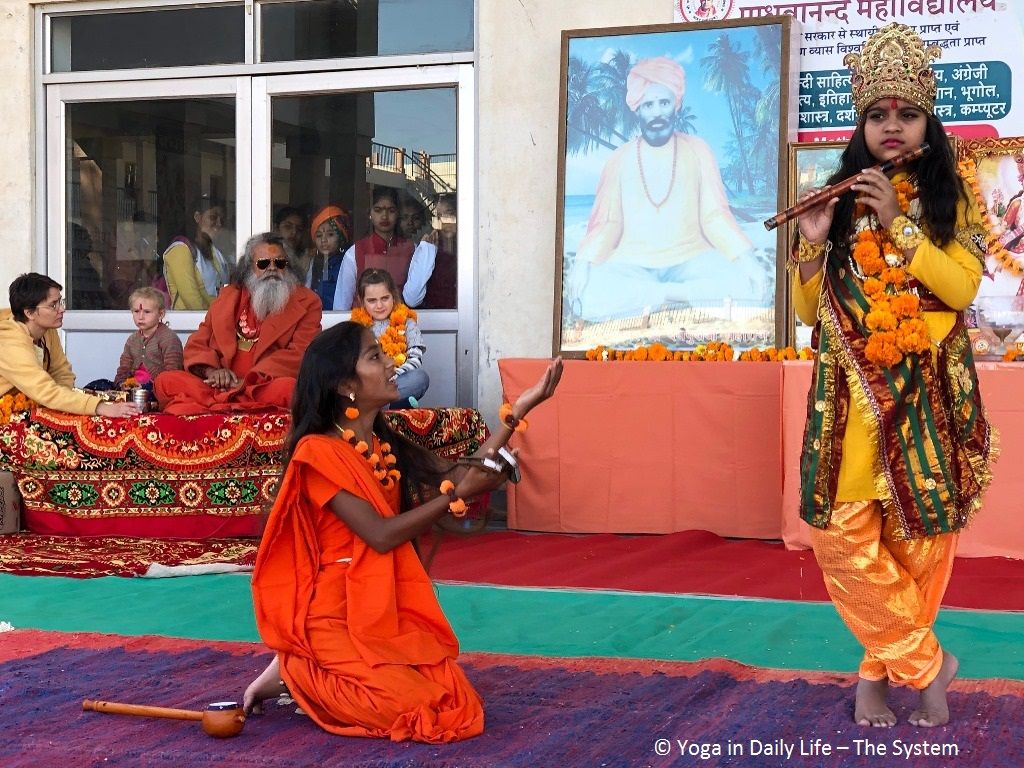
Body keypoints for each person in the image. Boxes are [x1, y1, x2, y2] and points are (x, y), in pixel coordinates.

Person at [791, 23, 995, 729]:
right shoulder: (838, 197)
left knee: (918, 543)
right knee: (843, 538)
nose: (892, 126)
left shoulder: (950, 197)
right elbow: (811, 311)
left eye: (906, 113)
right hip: (853, 400)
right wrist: (812, 249)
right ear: (861, 125)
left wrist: (901, 225)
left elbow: (961, 289)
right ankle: (931, 666)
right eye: (877, 114)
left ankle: (873, 681)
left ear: (927, 122)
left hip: (924, 396)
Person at [242, 320, 563, 741]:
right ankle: (296, 668)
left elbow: (461, 473)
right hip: (333, 613)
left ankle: (308, 669)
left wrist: (518, 411)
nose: (391, 363)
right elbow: (380, 534)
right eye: (375, 356)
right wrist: (456, 496)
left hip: (380, 605)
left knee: (454, 701)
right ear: (345, 384)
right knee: (412, 712)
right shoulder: (317, 452)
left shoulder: (383, 444)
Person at [567, 56, 764, 322]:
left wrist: (746, 258)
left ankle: (657, 297)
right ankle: (678, 297)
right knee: (590, 293)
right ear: (637, 109)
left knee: (745, 285)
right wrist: (583, 262)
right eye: (648, 104)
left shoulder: (698, 150)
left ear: (676, 104)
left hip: (691, 260)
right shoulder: (618, 160)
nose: (657, 112)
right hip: (633, 264)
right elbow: (608, 223)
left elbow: (714, 215)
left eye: (664, 102)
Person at [154, 233, 322, 415]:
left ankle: (219, 405)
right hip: (219, 386)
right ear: (249, 267)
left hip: (262, 386)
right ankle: (233, 403)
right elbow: (198, 343)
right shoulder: (228, 296)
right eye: (263, 263)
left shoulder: (308, 301)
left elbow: (300, 353)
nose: (272, 268)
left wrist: (248, 381)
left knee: (289, 389)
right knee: (165, 381)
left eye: (280, 263)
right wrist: (212, 372)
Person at [0, 273, 138, 417]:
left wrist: (63, 403)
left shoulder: (46, 329)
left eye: (61, 302)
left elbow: (61, 372)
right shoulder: (9, 341)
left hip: (30, 407)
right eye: (53, 305)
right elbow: (44, 390)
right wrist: (100, 407)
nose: (61, 309)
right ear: (29, 313)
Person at [332, 187, 437, 310]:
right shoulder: (355, 251)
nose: (384, 216)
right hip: (362, 321)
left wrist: (427, 252)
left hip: (401, 320)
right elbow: (341, 302)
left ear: (398, 213)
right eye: (378, 210)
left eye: (391, 210)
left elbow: (414, 297)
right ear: (369, 213)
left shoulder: (411, 249)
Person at [352, 268, 428, 407]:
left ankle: (379, 405)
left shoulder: (407, 323)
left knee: (419, 378)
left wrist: (391, 376)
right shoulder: (356, 327)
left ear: (393, 295)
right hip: (367, 385)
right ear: (362, 301)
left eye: (385, 298)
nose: (379, 305)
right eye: (372, 301)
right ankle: (391, 405)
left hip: (397, 380)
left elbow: (415, 360)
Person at [162, 194, 231, 310]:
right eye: (213, 217)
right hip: (190, 320)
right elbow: (191, 299)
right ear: (197, 217)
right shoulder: (180, 249)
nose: (219, 223)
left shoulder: (215, 251)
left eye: (222, 219)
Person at [113, 287, 184, 388]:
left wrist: (154, 386)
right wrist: (121, 384)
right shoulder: (132, 340)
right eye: (136, 311)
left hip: (158, 388)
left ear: (161, 314)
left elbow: (173, 371)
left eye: (147, 312)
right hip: (133, 388)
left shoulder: (169, 338)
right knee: (98, 385)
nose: (141, 317)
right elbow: (124, 368)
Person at [307, 205, 352, 310]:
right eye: (319, 236)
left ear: (341, 237)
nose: (323, 240)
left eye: (330, 234)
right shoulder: (313, 263)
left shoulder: (347, 262)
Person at [421, 193, 458, 309]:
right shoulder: (432, 246)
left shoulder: (468, 247)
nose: (443, 221)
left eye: (449, 214)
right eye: (438, 216)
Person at [274, 206, 312, 285]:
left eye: (299, 229)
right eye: (288, 227)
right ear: (276, 229)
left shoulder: (307, 260)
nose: (294, 232)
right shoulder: (268, 258)